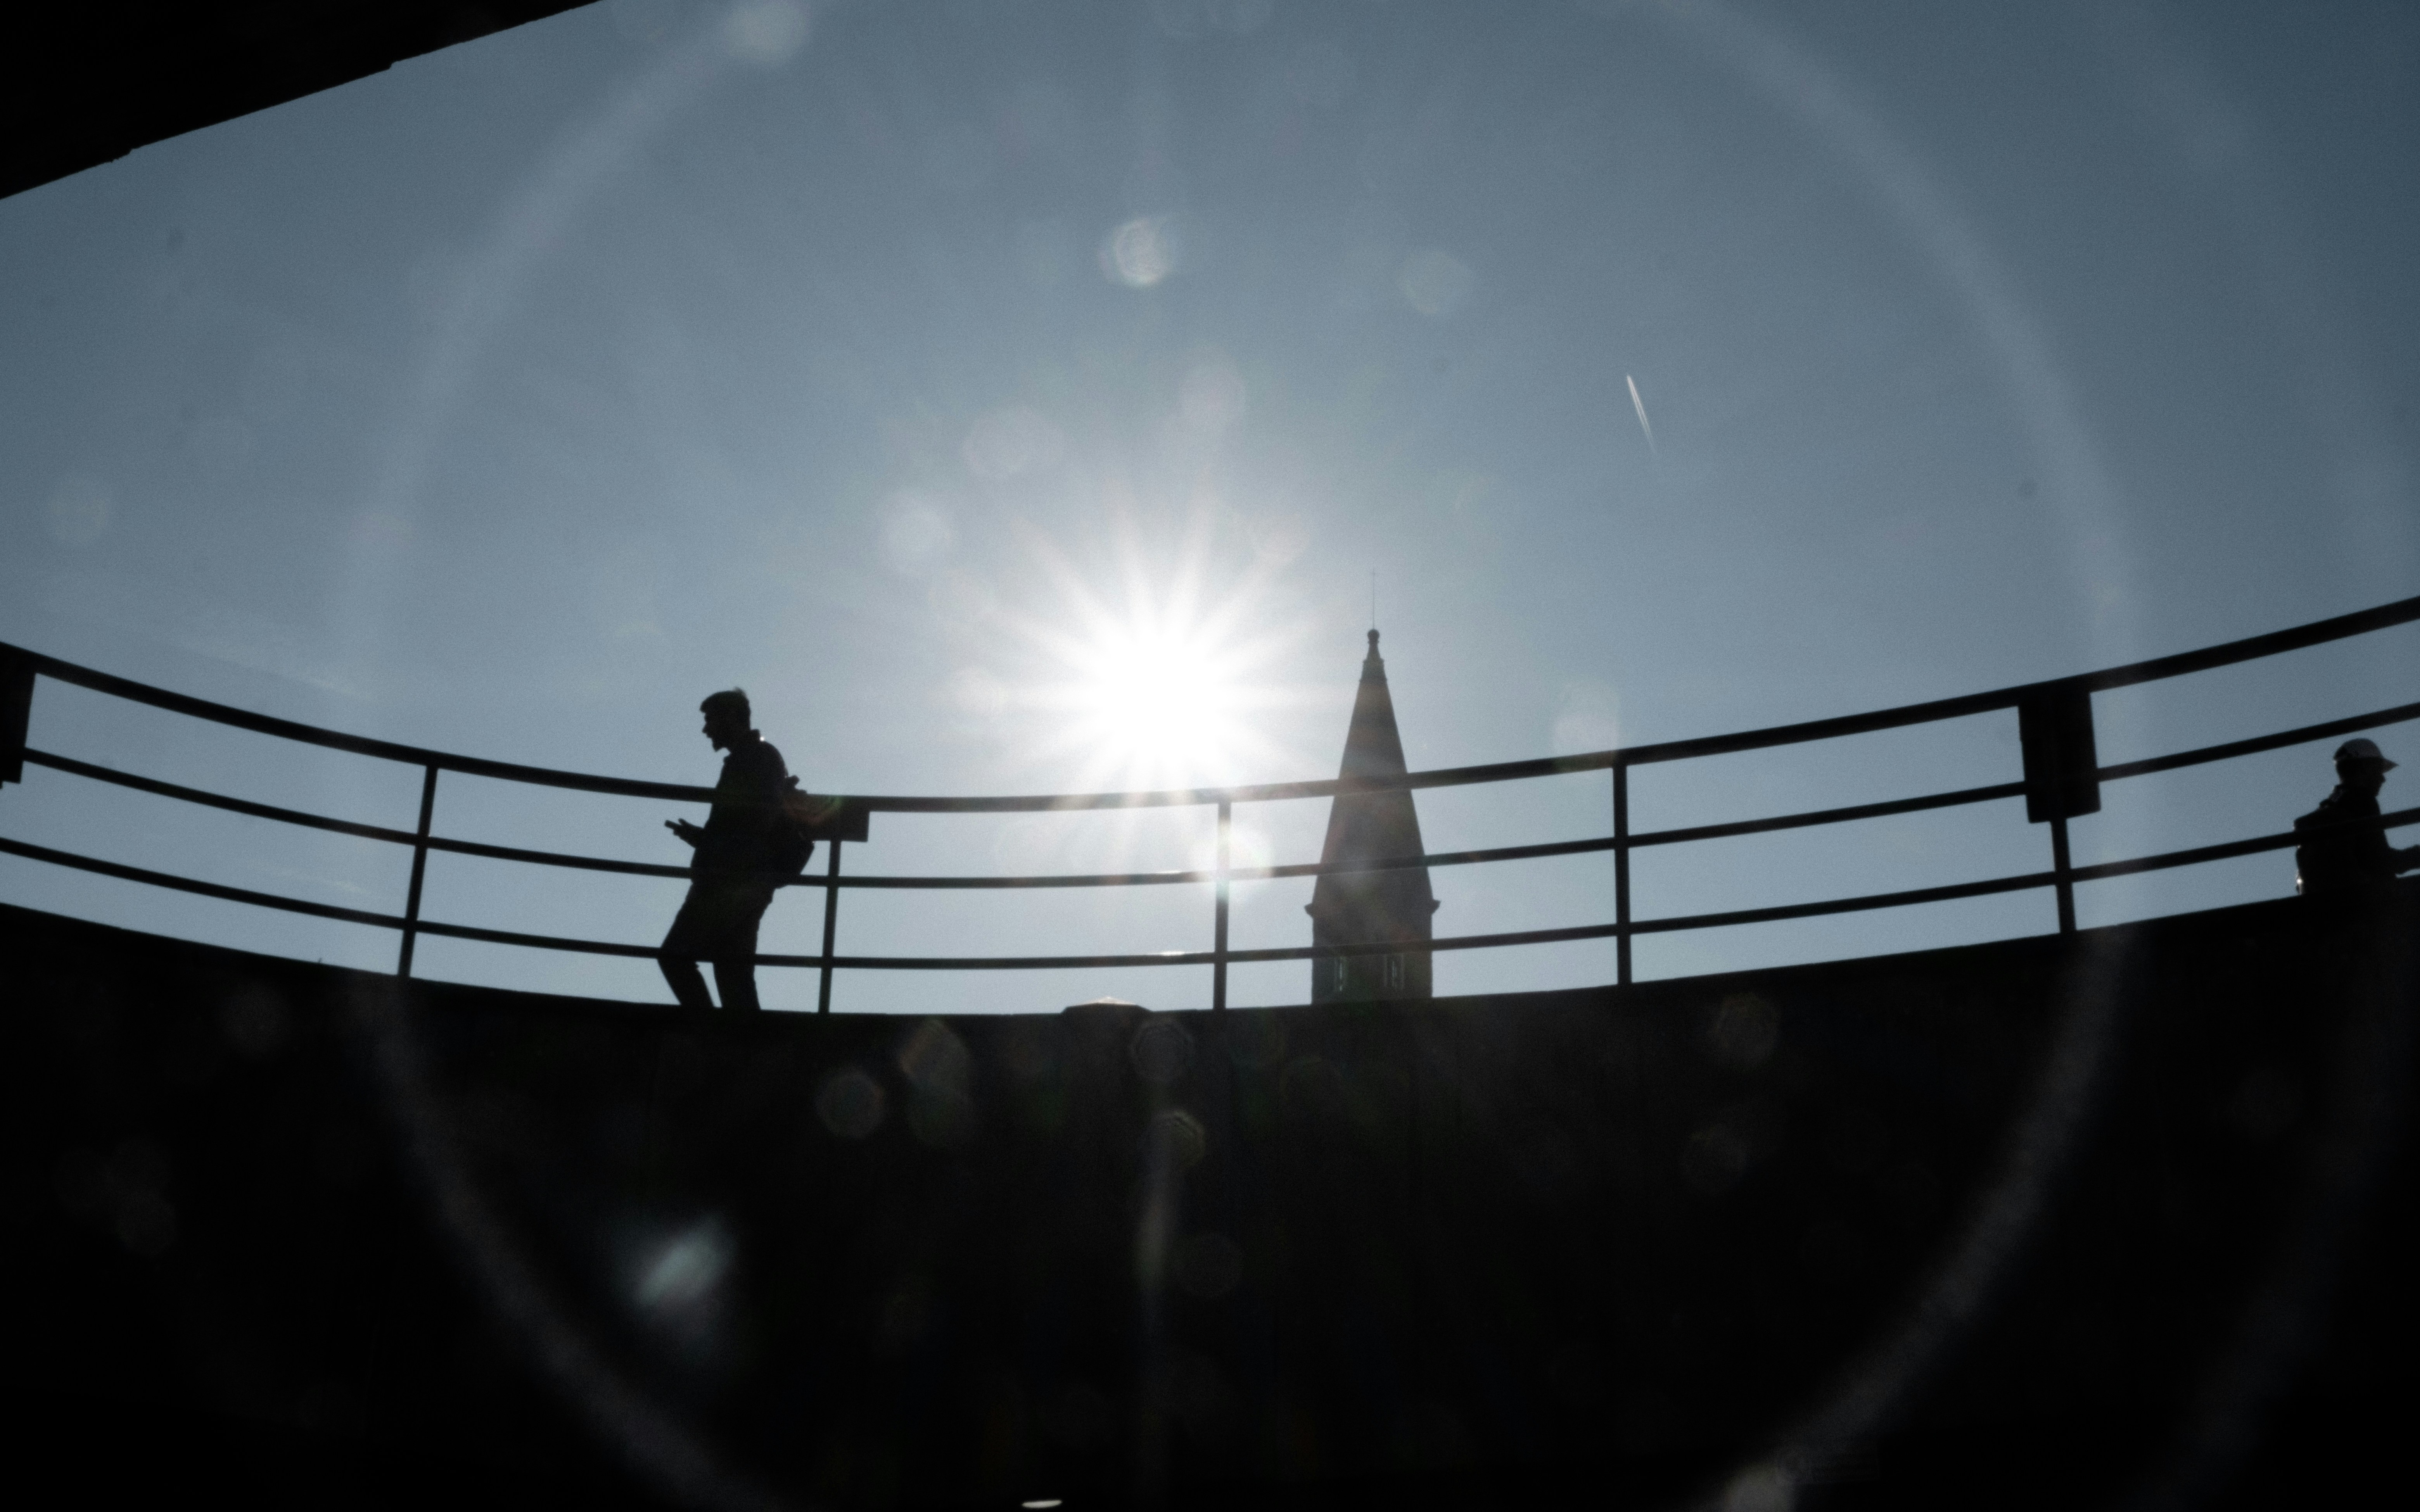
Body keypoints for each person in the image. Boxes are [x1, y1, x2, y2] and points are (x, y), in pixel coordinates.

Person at [661, 688, 790, 1012]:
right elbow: (751, 824)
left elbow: (753, 823)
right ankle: (743, 1049)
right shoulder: (758, 757)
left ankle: (711, 1034)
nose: (707, 729)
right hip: (747, 880)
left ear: (732, 718)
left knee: (675, 958)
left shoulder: (753, 758)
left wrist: (708, 844)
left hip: (729, 881)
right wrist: (704, 839)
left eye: (711, 720)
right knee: (734, 976)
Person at [2294, 738, 2420, 899]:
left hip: (2329, 906)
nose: (2383, 779)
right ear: (2365, 768)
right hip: (2363, 904)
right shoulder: (2361, 799)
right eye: (2378, 770)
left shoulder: (2328, 806)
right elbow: (2379, 859)